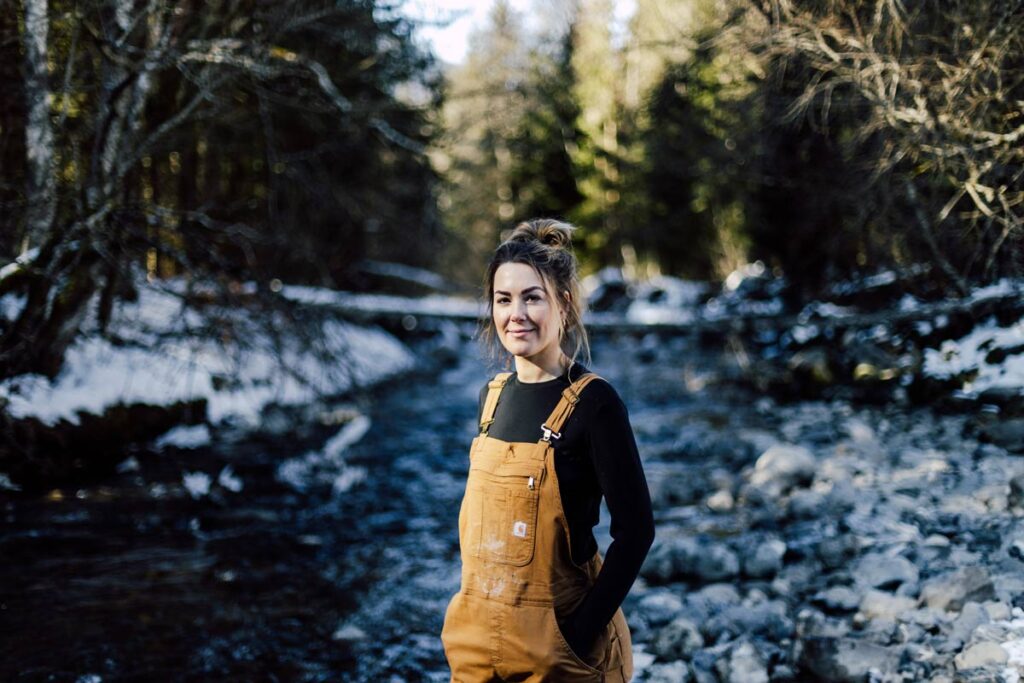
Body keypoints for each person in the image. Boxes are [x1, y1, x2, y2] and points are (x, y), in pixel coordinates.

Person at [440, 218, 656, 682]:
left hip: (558, 657)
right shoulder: (491, 398)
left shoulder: (594, 403)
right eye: (503, 299)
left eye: (531, 297)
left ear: (564, 304)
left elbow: (636, 531)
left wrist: (577, 635)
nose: (515, 314)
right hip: (475, 649)